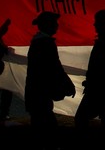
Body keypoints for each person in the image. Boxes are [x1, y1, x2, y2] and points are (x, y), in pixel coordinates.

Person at [25, 11, 76, 149]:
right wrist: (67, 84)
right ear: (48, 25)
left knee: (41, 127)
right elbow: (55, 67)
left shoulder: (38, 43)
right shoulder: (45, 44)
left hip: (36, 94)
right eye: (54, 23)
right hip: (40, 95)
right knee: (46, 129)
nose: (57, 26)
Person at [74, 9, 105, 132]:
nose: (94, 25)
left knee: (81, 118)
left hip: (98, 87)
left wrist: (91, 81)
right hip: (103, 87)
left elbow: (101, 66)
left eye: (97, 22)